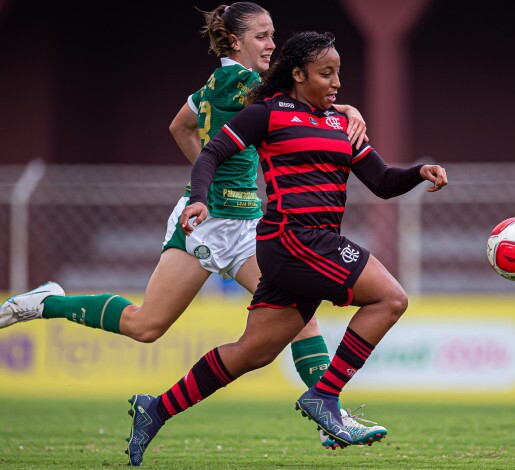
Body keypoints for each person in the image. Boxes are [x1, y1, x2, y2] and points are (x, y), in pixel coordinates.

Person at [0, 2, 368, 452]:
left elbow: (181, 124)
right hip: (207, 224)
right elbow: (302, 101)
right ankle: (48, 304)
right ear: (235, 42)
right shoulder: (247, 82)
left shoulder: (219, 82)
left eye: (273, 35)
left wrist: (207, 168)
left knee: (299, 319)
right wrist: (346, 107)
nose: (272, 44)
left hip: (248, 226)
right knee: (146, 325)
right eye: (262, 35)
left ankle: (329, 417)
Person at [123, 30, 448, 466]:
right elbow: (211, 155)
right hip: (295, 239)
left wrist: (419, 172)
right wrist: (199, 196)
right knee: (391, 298)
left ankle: (155, 408)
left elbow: (383, 182)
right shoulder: (267, 114)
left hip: (306, 245)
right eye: (325, 73)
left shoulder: (340, 123)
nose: (336, 83)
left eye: (338, 74)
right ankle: (325, 397)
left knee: (251, 352)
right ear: (297, 74)